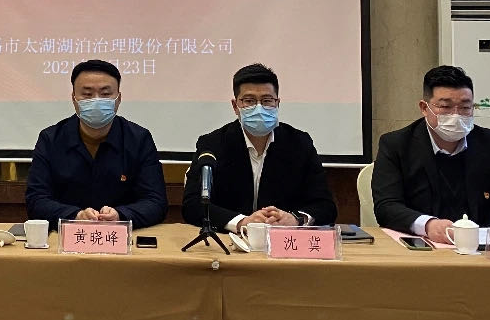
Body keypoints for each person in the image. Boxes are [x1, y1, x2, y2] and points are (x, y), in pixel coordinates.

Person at [372, 65, 490, 242]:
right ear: (424, 108)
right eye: (445, 106)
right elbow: (387, 206)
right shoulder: (397, 144)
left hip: (480, 247)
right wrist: (428, 225)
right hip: (422, 245)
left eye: (465, 107)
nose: (456, 115)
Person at [181, 62, 336, 233]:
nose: (259, 108)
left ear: (277, 103)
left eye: (267, 101)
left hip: (282, 240)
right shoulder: (212, 144)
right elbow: (193, 205)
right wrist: (241, 222)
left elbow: (325, 205)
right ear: (235, 106)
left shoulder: (300, 143)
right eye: (249, 101)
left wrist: (295, 219)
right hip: (229, 241)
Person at [25, 59, 167, 229]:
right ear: (74, 99)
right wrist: (75, 216)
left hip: (122, 237)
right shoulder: (51, 139)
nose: (96, 101)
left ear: (118, 99)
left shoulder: (139, 139)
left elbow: (155, 202)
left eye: (105, 94)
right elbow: (36, 200)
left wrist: (121, 215)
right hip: (66, 237)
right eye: (87, 94)